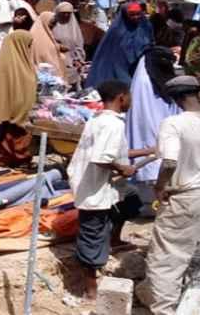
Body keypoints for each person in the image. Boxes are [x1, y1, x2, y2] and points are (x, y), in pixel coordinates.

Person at [137, 77, 200, 315]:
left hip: (187, 195)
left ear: (175, 99)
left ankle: (166, 310)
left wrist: (160, 187)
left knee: (168, 258)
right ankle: (198, 306)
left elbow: (169, 161)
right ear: (198, 93)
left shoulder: (173, 123)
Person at [68, 80, 141, 300]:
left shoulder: (100, 119)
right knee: (92, 234)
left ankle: (114, 240)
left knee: (132, 201)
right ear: (121, 97)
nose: (131, 101)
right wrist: (123, 168)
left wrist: (148, 150)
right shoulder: (112, 124)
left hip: (104, 186)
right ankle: (90, 290)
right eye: (129, 96)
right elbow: (102, 158)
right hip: (94, 189)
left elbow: (113, 152)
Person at [125, 47, 181, 215]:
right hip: (149, 128)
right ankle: (152, 203)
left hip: (163, 126)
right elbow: (146, 112)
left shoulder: (160, 78)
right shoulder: (143, 83)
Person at [0, 31, 38, 168]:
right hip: (7, 115)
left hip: (22, 114)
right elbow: (0, 93)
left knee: (21, 136)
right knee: (4, 134)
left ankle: (22, 160)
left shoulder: (26, 64)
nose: (29, 48)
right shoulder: (5, 68)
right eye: (28, 45)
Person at [86, 2, 153, 88]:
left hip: (141, 65)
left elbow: (150, 42)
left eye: (138, 14)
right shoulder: (116, 30)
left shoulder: (145, 26)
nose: (136, 17)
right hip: (120, 66)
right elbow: (110, 51)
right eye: (132, 14)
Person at [52, 2, 86, 87]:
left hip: (73, 66)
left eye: (68, 13)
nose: (66, 15)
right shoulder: (52, 26)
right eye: (63, 13)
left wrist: (78, 59)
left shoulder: (74, 27)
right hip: (56, 64)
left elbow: (79, 44)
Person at [30, 11, 68, 81]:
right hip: (44, 77)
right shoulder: (34, 37)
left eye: (55, 24)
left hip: (53, 75)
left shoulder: (47, 34)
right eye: (52, 23)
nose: (54, 26)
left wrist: (59, 48)